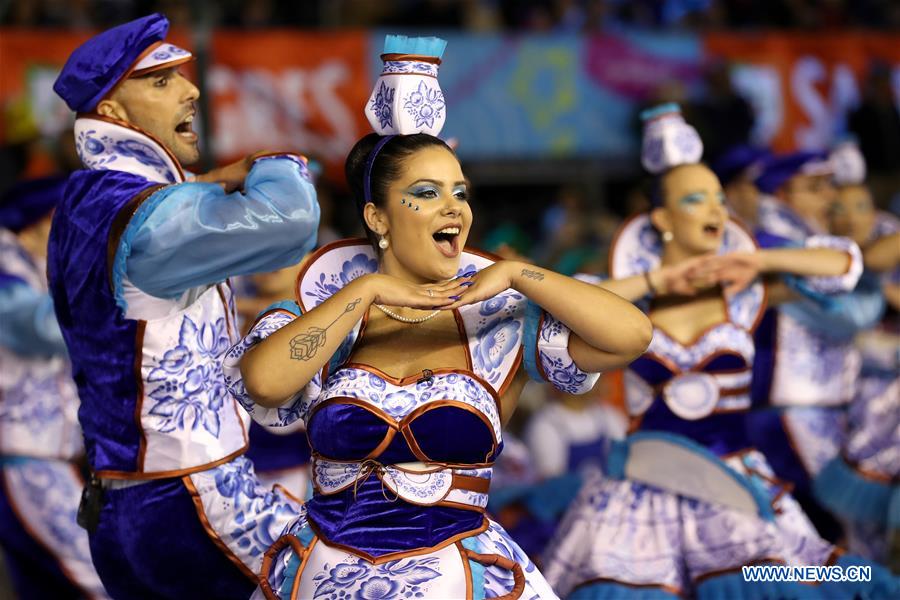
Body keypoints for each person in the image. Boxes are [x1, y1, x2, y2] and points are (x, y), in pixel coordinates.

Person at [223, 34, 652, 599]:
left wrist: (522, 275)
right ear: (377, 218)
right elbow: (265, 382)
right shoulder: (327, 308)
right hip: (325, 578)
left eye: (460, 192)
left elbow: (632, 335)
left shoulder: (500, 319)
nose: (455, 207)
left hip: (458, 580)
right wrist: (367, 291)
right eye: (427, 193)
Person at [541, 104, 897, 599]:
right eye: (696, 198)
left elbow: (844, 266)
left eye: (717, 198)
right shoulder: (624, 297)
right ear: (662, 218)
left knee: (807, 578)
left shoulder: (745, 287)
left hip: (734, 488)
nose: (715, 210)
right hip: (643, 490)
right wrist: (655, 280)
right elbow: (561, 304)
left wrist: (758, 258)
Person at [47, 14, 319, 599]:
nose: (191, 89)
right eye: (162, 80)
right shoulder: (141, 215)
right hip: (192, 500)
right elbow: (291, 219)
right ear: (114, 113)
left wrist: (197, 186)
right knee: (355, 575)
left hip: (123, 505)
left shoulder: (85, 201)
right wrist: (278, 163)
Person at [748, 149, 875, 541]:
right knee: (831, 537)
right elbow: (850, 315)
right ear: (782, 195)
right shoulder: (771, 246)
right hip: (789, 414)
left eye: (829, 187)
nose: (829, 198)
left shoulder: (804, 243)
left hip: (819, 410)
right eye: (815, 188)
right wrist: (877, 291)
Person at [0, 178, 109, 599]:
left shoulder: (34, 275)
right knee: (95, 573)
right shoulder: (7, 278)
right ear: (34, 226)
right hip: (24, 460)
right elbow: (44, 328)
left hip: (48, 456)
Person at [813, 140, 900, 564]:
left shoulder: (888, 243)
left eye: (861, 207)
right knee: (858, 534)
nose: (851, 218)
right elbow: (863, 267)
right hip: (854, 409)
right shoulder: (822, 258)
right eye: (839, 209)